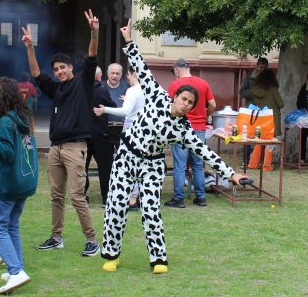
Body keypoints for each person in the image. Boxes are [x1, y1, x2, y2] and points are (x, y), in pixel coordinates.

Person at [100, 20, 251, 274]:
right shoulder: (157, 96)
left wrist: (230, 174)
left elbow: (204, 152)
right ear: (175, 96)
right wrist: (128, 40)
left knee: (151, 211)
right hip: (126, 155)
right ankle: (111, 255)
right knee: (116, 205)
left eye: (191, 103)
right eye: (184, 99)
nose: (186, 104)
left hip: (152, 165)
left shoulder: (184, 129)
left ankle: (158, 260)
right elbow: (141, 68)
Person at [23, 9, 100, 257]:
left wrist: (94, 32)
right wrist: (30, 48)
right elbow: (36, 74)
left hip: (75, 147)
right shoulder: (56, 89)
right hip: (55, 148)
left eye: (62, 67)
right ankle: (56, 237)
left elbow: (92, 56)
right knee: (56, 196)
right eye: (56, 69)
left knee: (77, 196)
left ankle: (92, 241)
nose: (59, 72)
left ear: (71, 68)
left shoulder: (83, 82)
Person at [0, 77, 39, 296]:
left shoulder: (5, 123)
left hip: (7, 185)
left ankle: (16, 271)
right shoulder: (23, 117)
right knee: (11, 225)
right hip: (24, 181)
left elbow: (7, 154)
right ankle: (16, 268)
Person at [164, 58, 216, 208]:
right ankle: (201, 197)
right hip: (199, 128)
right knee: (198, 165)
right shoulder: (203, 83)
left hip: (180, 128)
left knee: (180, 165)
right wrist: (204, 116)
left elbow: (169, 106)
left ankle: (178, 198)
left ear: (177, 69)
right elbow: (212, 105)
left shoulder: (175, 85)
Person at [95, 66, 144, 213]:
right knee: (136, 164)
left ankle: (132, 199)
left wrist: (104, 109)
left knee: (130, 164)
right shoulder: (147, 89)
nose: (116, 76)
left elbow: (125, 111)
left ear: (131, 74)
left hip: (130, 130)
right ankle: (133, 196)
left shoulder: (131, 90)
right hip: (137, 130)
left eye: (123, 74)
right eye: (112, 73)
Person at [85, 67, 116, 207]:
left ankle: (82, 196)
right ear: (98, 76)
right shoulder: (102, 91)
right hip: (100, 135)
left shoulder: (80, 89)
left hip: (83, 135)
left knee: (82, 168)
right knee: (105, 168)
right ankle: (106, 197)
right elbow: (112, 107)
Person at [247, 68, 284, 171]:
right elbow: (281, 104)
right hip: (272, 118)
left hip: (260, 117)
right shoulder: (273, 89)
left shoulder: (255, 90)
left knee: (259, 141)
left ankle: (253, 164)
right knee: (270, 142)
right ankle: (267, 166)